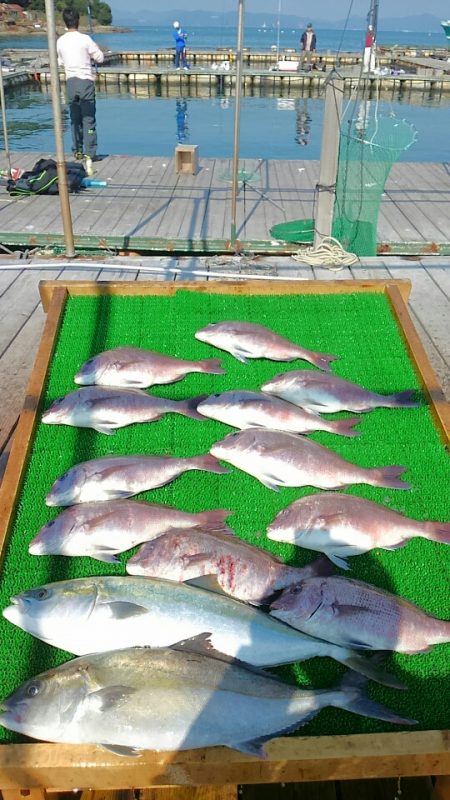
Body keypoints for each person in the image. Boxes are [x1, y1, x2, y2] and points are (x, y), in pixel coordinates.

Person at [57, 7, 104, 172]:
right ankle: (90, 153)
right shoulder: (86, 39)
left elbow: (60, 62)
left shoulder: (60, 41)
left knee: (75, 119)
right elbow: (100, 57)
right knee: (89, 119)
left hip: (71, 82)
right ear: (78, 21)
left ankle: (77, 150)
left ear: (65, 22)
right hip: (86, 82)